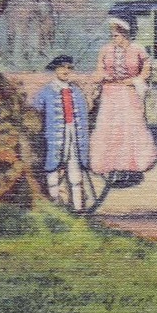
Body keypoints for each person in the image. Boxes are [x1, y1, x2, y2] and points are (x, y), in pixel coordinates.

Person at [90, 16, 157, 184]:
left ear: (125, 35)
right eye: (112, 35)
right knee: (110, 130)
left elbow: (147, 67)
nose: (114, 39)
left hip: (128, 92)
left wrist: (137, 79)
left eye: (117, 35)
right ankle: (113, 167)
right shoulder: (105, 50)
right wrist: (99, 77)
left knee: (129, 128)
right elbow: (99, 69)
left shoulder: (137, 49)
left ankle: (132, 168)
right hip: (110, 93)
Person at [34, 55, 90, 211]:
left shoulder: (77, 92)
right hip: (54, 138)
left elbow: (85, 114)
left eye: (69, 68)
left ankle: (79, 209)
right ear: (55, 69)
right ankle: (55, 207)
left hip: (75, 137)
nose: (66, 71)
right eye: (62, 67)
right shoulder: (46, 92)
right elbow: (34, 112)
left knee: (75, 173)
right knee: (53, 170)